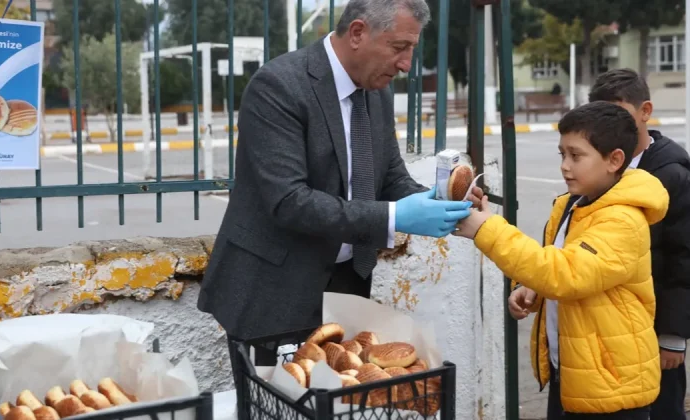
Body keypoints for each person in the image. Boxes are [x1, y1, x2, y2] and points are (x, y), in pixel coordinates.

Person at [197, 0, 474, 359]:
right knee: (275, 408)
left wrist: (438, 200)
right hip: (273, 294)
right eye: (398, 47)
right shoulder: (278, 86)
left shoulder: (377, 90)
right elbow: (289, 201)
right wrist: (395, 217)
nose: (406, 64)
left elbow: (390, 176)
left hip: (347, 289)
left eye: (411, 49)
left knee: (338, 405)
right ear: (358, 32)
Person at [456, 101, 669, 419]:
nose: (565, 166)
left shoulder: (622, 220)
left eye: (576, 155)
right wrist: (530, 287)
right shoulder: (574, 206)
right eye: (562, 154)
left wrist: (486, 230)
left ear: (614, 160)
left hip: (612, 387)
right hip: (573, 371)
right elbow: (556, 262)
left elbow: (566, 274)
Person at [509, 69, 690, 419]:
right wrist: (531, 285)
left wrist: (673, 334)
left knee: (662, 407)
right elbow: (562, 254)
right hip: (587, 345)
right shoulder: (584, 186)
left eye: (619, 114)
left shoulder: (668, 173)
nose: (567, 165)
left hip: (642, 334)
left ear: (644, 112)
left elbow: (682, 258)